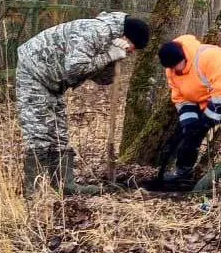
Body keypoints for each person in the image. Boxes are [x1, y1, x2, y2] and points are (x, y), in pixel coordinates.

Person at [17, 12, 150, 196]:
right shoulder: (95, 31)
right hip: (35, 73)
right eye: (134, 47)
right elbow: (75, 69)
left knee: (59, 134)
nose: (132, 51)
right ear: (127, 37)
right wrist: (109, 55)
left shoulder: (111, 39)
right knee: (39, 133)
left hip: (55, 83)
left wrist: (113, 59)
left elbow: (103, 79)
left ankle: (65, 186)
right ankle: (32, 193)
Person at [157, 35, 221, 187]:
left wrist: (207, 120)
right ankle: (183, 172)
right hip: (207, 98)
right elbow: (180, 97)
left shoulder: (209, 58)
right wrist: (189, 122)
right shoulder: (172, 70)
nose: (175, 70)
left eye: (177, 65)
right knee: (191, 134)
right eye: (171, 67)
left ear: (184, 58)